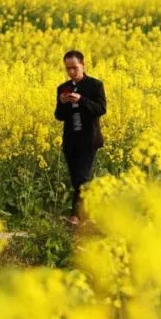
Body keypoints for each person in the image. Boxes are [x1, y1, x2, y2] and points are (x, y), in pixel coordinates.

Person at [55, 50, 107, 225]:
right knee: (77, 179)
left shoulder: (95, 85)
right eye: (68, 68)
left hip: (89, 139)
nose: (71, 72)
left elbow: (101, 109)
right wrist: (63, 103)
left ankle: (75, 216)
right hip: (71, 140)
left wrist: (81, 100)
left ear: (83, 65)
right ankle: (89, 212)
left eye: (74, 68)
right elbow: (59, 116)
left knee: (82, 177)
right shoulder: (62, 88)